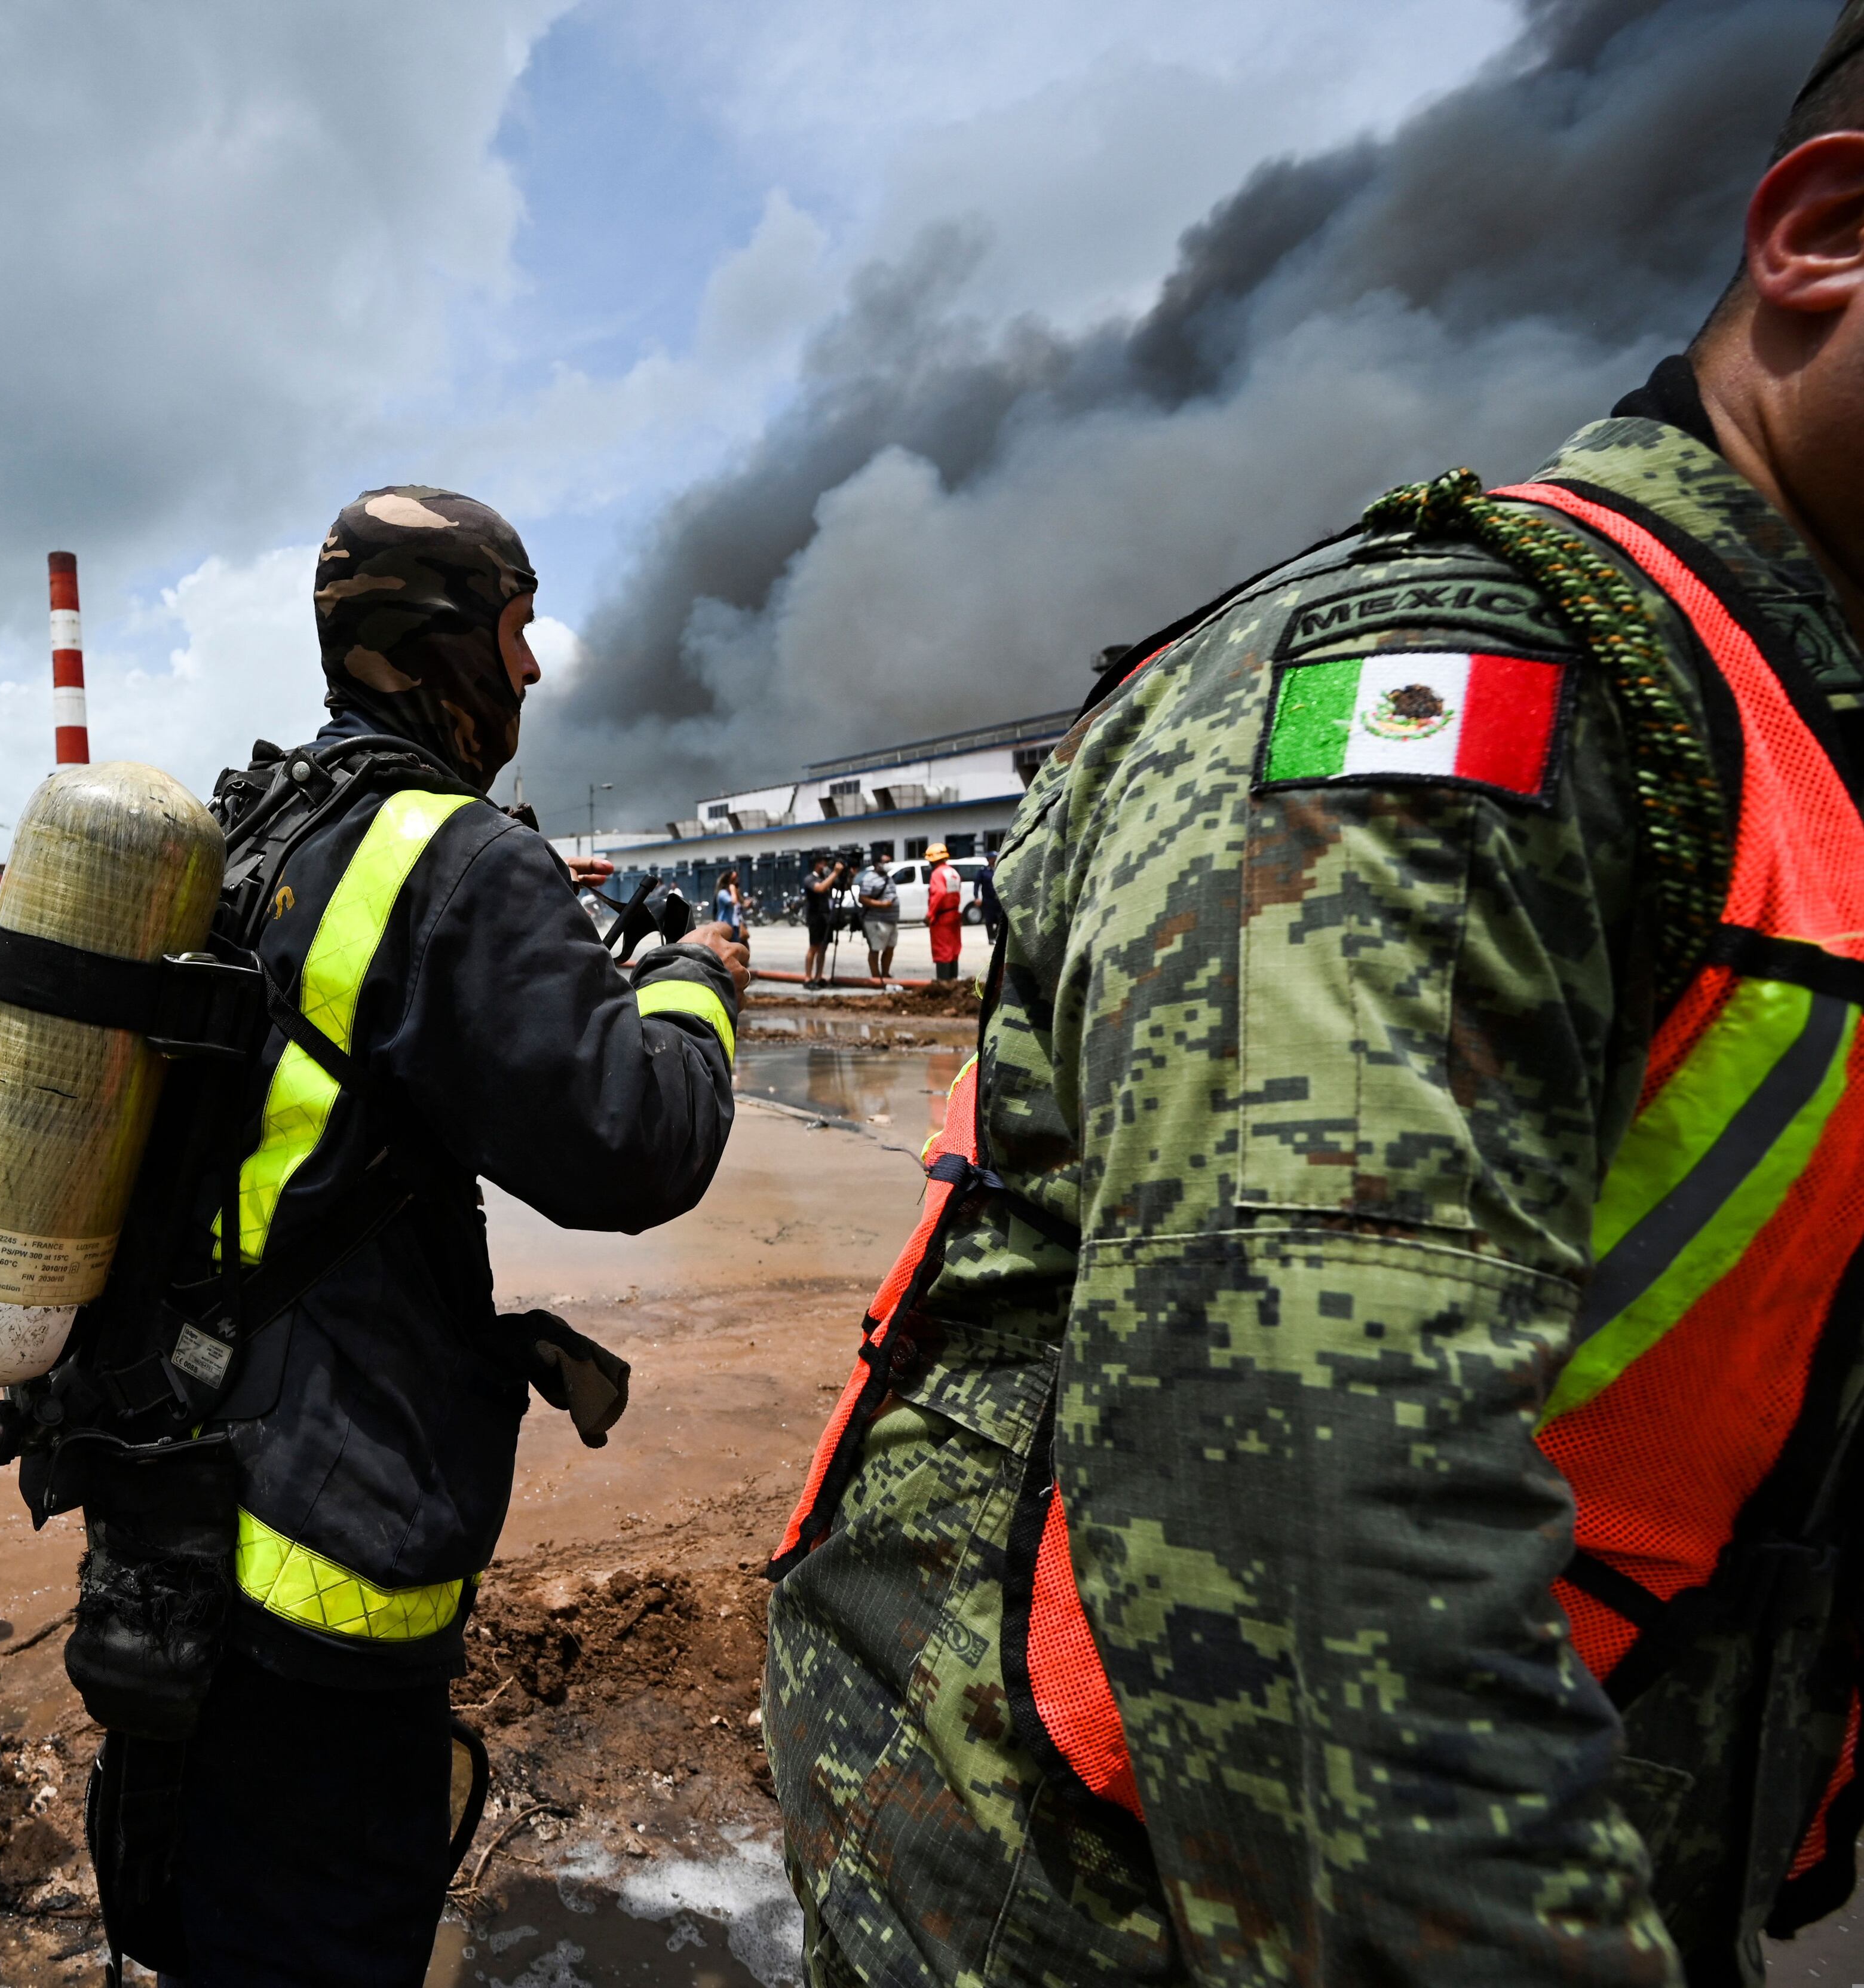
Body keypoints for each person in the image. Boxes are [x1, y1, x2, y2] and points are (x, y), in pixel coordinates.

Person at [763, 13, 1864, 1980]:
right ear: (1825, 234)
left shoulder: (1803, 746)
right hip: (1114, 1910)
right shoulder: (1470, 688)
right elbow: (1308, 1565)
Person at [49, 487, 746, 1984]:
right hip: (322, 1540)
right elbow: (635, 1141)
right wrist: (694, 982)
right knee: (318, 1932)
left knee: (205, 1901)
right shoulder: (453, 856)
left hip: (166, 1491)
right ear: (450, 646)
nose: (536, 671)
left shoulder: (255, 831)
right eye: (515, 632)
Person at [919, 840, 963, 982]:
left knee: (942, 951)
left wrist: (930, 915)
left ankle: (943, 984)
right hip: (954, 915)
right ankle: (954, 981)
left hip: (942, 918)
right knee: (953, 949)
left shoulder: (937, 874)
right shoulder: (953, 872)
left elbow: (940, 892)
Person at [802, 854, 845, 987]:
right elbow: (820, 888)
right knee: (814, 947)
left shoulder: (826, 878)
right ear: (818, 864)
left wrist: (841, 875)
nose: (826, 866)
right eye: (824, 863)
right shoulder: (810, 879)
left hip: (826, 915)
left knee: (823, 948)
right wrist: (835, 873)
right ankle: (808, 978)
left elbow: (841, 887)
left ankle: (819, 976)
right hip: (815, 917)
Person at [854, 862, 899, 981]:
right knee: (875, 949)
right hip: (876, 920)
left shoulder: (888, 878)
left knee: (890, 948)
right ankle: (876, 978)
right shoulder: (869, 879)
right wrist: (881, 904)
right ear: (876, 864)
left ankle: (885, 974)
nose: (888, 864)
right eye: (885, 862)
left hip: (891, 920)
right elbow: (862, 898)